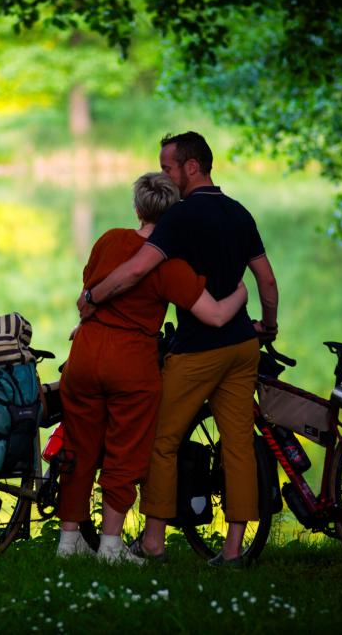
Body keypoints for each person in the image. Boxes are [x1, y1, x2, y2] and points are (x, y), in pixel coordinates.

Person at [76, 131, 279, 567]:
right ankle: (231, 551)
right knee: (238, 444)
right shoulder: (240, 213)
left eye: (167, 167)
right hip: (243, 345)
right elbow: (266, 280)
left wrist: (92, 299)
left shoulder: (179, 218)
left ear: (191, 167)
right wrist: (269, 326)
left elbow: (135, 271)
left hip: (197, 350)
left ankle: (153, 542)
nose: (165, 175)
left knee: (159, 440)